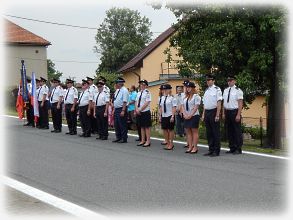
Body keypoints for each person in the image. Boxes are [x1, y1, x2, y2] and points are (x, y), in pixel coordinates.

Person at [202, 74, 223, 157]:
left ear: (213, 81)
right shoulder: (206, 90)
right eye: (207, 80)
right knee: (209, 132)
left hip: (214, 111)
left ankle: (216, 150)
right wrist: (203, 114)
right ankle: (211, 149)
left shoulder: (217, 89)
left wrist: (217, 114)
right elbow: (204, 104)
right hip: (207, 112)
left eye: (209, 80)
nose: (207, 81)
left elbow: (219, 102)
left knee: (215, 132)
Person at [223, 75, 244, 154]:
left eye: (231, 80)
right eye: (228, 81)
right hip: (227, 111)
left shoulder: (238, 90)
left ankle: (238, 148)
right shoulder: (225, 90)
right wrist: (224, 113)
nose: (229, 82)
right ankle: (232, 147)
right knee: (229, 130)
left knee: (236, 130)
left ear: (234, 81)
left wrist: (238, 114)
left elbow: (240, 103)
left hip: (235, 111)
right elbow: (224, 102)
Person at [182, 82, 201, 154]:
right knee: (188, 132)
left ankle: (195, 147)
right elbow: (182, 106)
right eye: (187, 87)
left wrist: (190, 115)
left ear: (193, 88)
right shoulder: (185, 97)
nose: (188, 89)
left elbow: (196, 107)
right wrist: (184, 114)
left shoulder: (196, 96)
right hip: (186, 116)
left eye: (189, 87)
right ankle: (190, 146)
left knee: (194, 131)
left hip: (194, 116)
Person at [159, 84, 177, 150]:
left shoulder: (172, 98)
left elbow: (174, 107)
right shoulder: (162, 98)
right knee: (165, 129)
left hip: (170, 115)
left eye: (166, 89)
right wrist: (160, 116)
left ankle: (171, 143)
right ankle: (167, 142)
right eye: (164, 89)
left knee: (170, 129)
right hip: (164, 115)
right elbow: (160, 107)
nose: (165, 91)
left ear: (169, 90)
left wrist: (172, 116)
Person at [135, 80, 152, 147]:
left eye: (143, 84)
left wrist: (140, 109)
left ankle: (148, 141)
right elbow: (136, 101)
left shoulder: (147, 92)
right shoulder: (139, 92)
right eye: (141, 84)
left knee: (146, 127)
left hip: (145, 112)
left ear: (146, 86)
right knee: (141, 126)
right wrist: (136, 109)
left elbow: (147, 102)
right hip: (139, 111)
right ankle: (142, 140)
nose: (142, 86)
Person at [112, 77, 129, 143]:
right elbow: (116, 100)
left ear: (120, 83)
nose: (116, 85)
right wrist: (114, 109)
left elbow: (125, 101)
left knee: (122, 124)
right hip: (117, 109)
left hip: (122, 108)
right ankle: (118, 137)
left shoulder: (124, 90)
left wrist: (123, 110)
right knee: (117, 124)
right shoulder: (117, 90)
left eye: (117, 83)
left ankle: (124, 138)